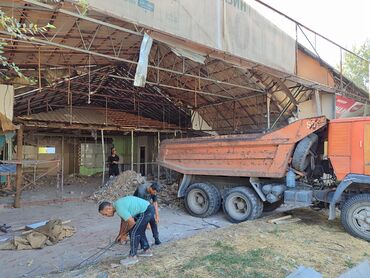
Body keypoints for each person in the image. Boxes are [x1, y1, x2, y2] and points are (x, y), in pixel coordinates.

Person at [98, 196, 154, 266]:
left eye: (105, 214)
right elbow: (124, 221)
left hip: (146, 211)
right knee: (139, 231)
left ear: (108, 208)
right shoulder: (117, 205)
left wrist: (124, 234)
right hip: (147, 209)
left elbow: (131, 222)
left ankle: (132, 257)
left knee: (133, 232)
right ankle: (147, 250)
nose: (106, 216)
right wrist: (120, 234)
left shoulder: (119, 208)